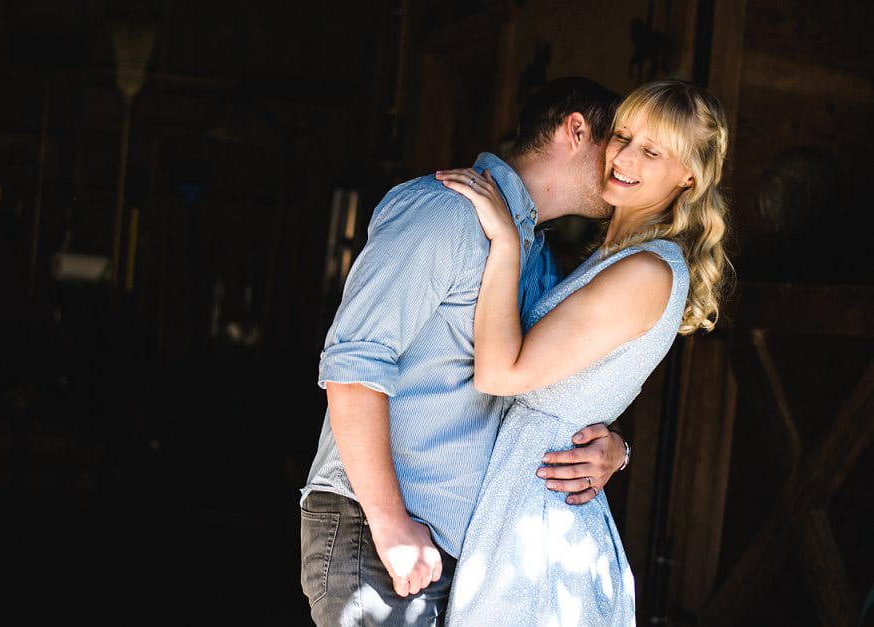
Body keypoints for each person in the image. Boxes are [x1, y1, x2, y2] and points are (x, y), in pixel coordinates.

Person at [299, 77, 631, 625]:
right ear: (577, 130)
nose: (626, 166)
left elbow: (534, 392)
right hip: (379, 529)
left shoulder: (536, 258)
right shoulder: (445, 210)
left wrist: (614, 450)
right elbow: (353, 364)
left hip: (461, 550)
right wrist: (389, 524)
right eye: (619, 142)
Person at [435, 77, 731, 626]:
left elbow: (502, 371)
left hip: (542, 519)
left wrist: (502, 240)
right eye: (621, 135)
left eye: (651, 150)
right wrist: (618, 449)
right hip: (522, 500)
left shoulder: (646, 270)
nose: (622, 156)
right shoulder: (614, 257)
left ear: (689, 175)